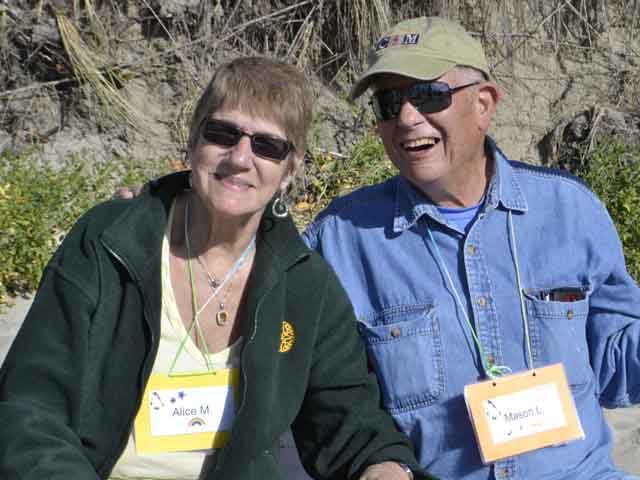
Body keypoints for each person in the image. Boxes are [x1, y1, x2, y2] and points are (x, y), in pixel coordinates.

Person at [0, 57, 428, 480]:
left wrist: (384, 466)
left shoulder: (306, 285)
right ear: (192, 141)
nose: (241, 158)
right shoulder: (110, 242)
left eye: (267, 145)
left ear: (289, 171)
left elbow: (346, 418)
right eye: (222, 134)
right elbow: (30, 407)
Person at [303, 16, 640, 480]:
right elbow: (327, 392)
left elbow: (616, 363)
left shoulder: (571, 210)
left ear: (484, 104)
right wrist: (374, 460)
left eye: (427, 96)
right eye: (389, 102)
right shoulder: (339, 240)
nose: (406, 117)